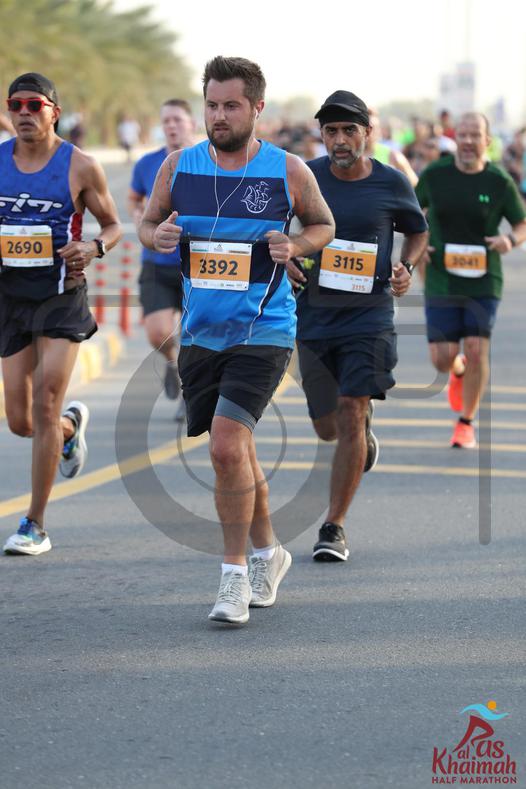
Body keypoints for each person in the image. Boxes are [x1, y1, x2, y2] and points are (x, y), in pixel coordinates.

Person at [139, 56, 334, 624]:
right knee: (238, 452)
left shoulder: (287, 170)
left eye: (231, 105)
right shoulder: (178, 166)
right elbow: (148, 225)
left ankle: (232, 578)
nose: (218, 115)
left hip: (265, 329)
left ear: (256, 109)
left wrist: (296, 246)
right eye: (212, 105)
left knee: (225, 447)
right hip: (201, 332)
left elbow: (323, 225)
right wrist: (159, 235)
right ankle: (269, 553)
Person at [287, 90, 428, 562]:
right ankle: (361, 435)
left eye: (350, 130)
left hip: (369, 317)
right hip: (313, 316)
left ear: (367, 133)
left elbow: (418, 229)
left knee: (350, 407)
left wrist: (406, 266)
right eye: (331, 131)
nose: (341, 140)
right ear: (321, 135)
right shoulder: (305, 177)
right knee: (327, 426)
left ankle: (334, 526)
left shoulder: (390, 182)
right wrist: (287, 256)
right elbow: (278, 227)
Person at [1, 72, 122, 555]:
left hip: (60, 295)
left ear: (54, 111)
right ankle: (69, 430)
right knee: (21, 420)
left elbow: (112, 225)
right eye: (15, 105)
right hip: (11, 298)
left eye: (34, 105)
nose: (24, 113)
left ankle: (35, 524)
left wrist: (92, 247)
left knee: (46, 402)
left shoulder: (81, 166)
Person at [415, 112, 526, 448]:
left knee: (477, 349)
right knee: (442, 357)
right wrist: (420, 240)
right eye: (462, 134)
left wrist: (509, 240)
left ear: (487, 141)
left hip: (483, 278)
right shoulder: (435, 175)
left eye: (474, 135)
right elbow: (410, 212)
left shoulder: (498, 181)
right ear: (455, 139)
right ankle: (457, 370)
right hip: (441, 277)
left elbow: (522, 223)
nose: (467, 141)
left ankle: (466, 422)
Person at [128, 99, 195, 419]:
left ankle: (191, 392)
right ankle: (173, 365)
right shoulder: (147, 163)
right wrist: (138, 215)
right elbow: (134, 197)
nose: (171, 126)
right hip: (157, 262)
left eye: (177, 120)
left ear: (191, 123)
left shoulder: (207, 160)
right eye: (166, 120)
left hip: (197, 265)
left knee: (195, 337)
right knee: (158, 333)